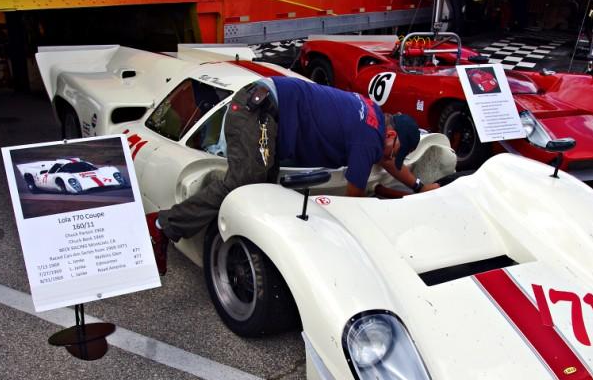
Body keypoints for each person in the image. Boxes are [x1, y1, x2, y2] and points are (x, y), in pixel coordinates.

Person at [154, 76, 438, 267]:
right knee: (246, 181)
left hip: (272, 113)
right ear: (390, 135)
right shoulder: (368, 137)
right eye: (394, 150)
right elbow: (353, 201)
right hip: (259, 110)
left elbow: (389, 162)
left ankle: (249, 252)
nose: (391, 157)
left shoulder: (374, 119)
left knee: (264, 192)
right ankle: (162, 226)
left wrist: (419, 188)